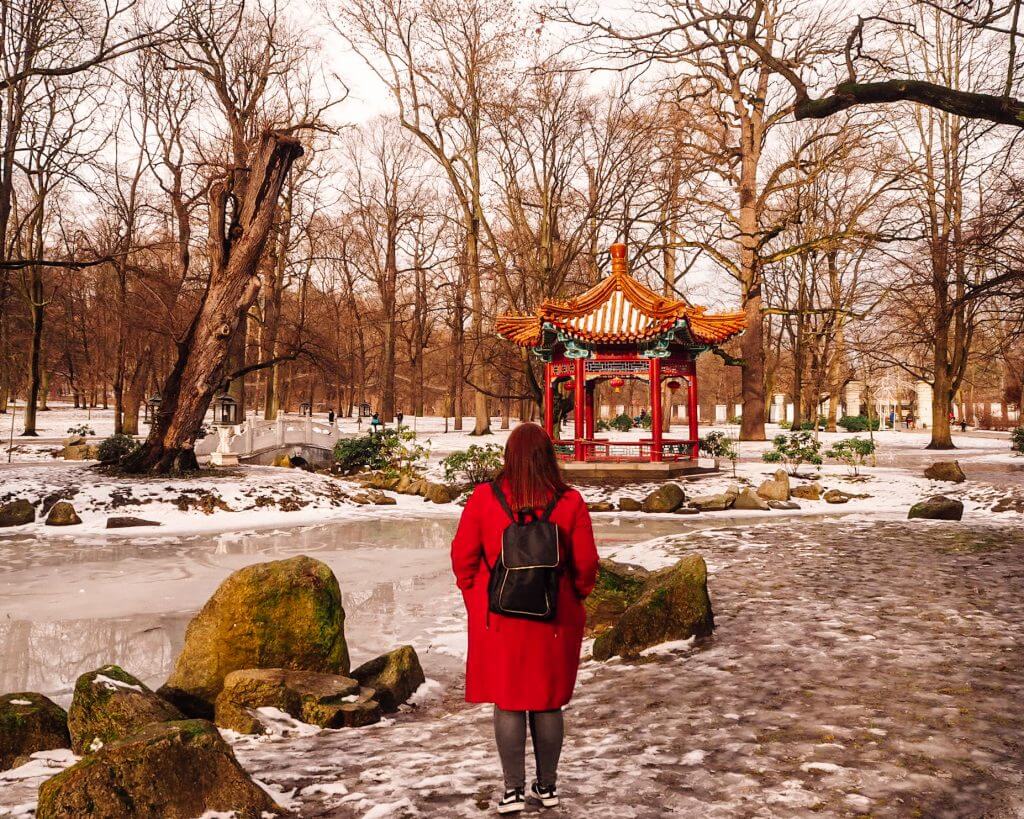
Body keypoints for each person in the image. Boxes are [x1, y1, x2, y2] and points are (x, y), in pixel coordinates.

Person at [450, 423, 599, 815]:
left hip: (500, 617)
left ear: (508, 456)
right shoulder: (570, 501)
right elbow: (586, 565)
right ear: (548, 456)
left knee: (510, 702)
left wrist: (476, 597)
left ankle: (512, 790)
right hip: (555, 619)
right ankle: (547, 787)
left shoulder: (484, 498)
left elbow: (463, 557)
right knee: (548, 702)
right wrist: (574, 597)